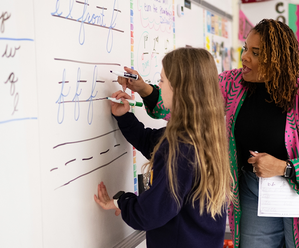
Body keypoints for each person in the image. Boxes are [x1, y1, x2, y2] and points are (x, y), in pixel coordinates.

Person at [117, 19, 299, 248]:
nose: (245, 57)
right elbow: (190, 103)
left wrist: (284, 168)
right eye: (246, 48)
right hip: (252, 189)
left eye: (256, 53)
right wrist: (145, 89)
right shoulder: (232, 84)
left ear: (277, 59)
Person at [94, 47, 233, 248]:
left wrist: (121, 202)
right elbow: (151, 142)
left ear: (180, 88)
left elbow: (150, 212)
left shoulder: (181, 147)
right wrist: (124, 117)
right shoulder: (204, 135)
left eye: (162, 81)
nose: (158, 86)